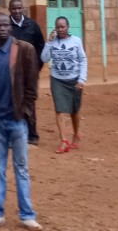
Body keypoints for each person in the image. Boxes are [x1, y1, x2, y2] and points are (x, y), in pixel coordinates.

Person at [0, 13, 41, 231]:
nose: (3, 28)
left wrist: (24, 113)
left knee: (22, 168)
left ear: (10, 27)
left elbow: (32, 87)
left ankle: (27, 214)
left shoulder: (24, 49)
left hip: (17, 120)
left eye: (6, 25)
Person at [41, 17, 87, 153]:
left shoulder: (76, 41)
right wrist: (48, 42)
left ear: (68, 27)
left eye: (63, 27)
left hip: (74, 80)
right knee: (60, 110)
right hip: (57, 80)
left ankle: (76, 134)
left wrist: (81, 79)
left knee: (74, 111)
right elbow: (44, 58)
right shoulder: (52, 42)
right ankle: (64, 141)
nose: (60, 29)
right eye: (58, 27)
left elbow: (83, 60)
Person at [7, 0, 44, 145]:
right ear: (9, 9)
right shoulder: (6, 25)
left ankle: (32, 135)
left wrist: (37, 65)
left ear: (22, 8)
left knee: (29, 100)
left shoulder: (32, 25)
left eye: (18, 8)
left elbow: (40, 45)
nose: (16, 11)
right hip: (12, 70)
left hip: (30, 71)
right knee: (11, 100)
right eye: (13, 9)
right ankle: (13, 135)